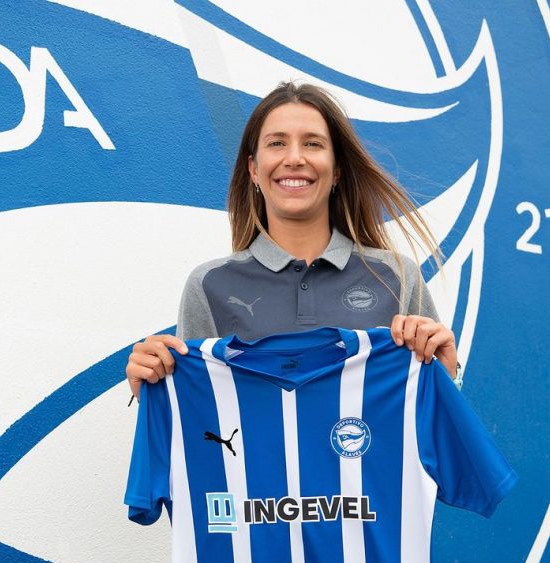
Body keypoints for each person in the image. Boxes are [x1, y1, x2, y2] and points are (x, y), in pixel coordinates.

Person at [126, 82, 458, 400]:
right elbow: (197, 413)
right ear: (254, 169)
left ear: (337, 169)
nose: (295, 158)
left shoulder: (397, 276)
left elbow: (433, 418)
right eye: (277, 143)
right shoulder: (209, 285)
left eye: (313, 143)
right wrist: (155, 388)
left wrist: (446, 373)